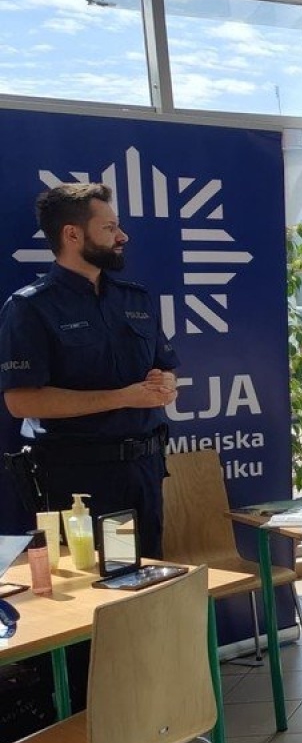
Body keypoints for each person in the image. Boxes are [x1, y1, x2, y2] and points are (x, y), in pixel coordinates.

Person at [0, 182, 178, 709]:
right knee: (94, 596)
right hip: (81, 484)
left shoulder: (135, 298)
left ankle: (151, 707)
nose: (122, 237)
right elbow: (22, 401)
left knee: (145, 583)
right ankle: (93, 715)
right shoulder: (31, 308)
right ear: (73, 235)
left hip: (143, 470)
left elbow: (164, 367)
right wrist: (123, 396)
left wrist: (163, 385)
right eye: (110, 228)